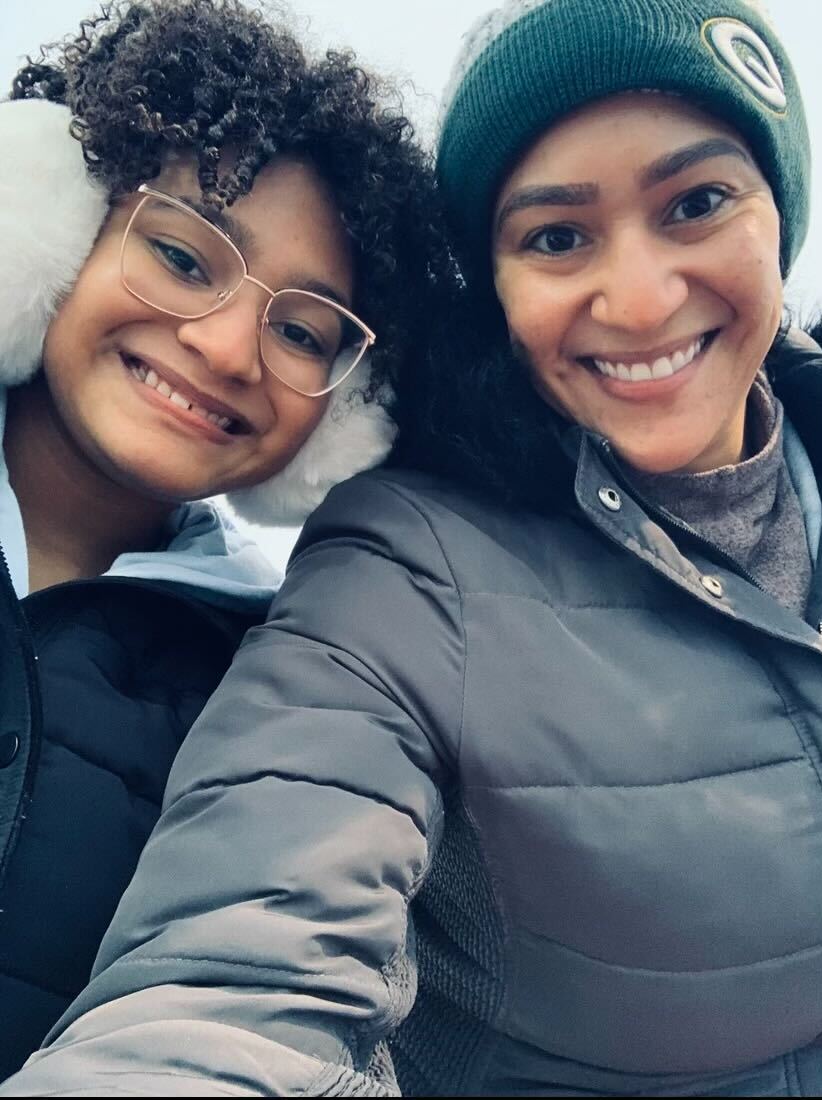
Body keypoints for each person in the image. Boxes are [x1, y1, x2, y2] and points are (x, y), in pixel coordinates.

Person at [5, 0, 822, 1095]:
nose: (638, 297)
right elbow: (240, 976)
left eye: (699, 202)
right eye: (556, 234)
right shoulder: (394, 581)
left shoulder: (215, 629)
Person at [0, 0, 447, 1080]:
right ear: (52, 223)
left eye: (302, 329)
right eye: (183, 255)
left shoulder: (285, 690)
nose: (226, 347)